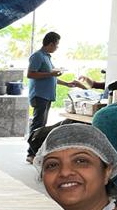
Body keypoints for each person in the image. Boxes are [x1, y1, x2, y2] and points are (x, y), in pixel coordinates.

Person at [26, 31, 82, 162]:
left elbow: (51, 76)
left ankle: (37, 151)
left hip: (47, 95)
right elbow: (31, 74)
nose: (57, 47)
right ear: (50, 44)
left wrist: (66, 83)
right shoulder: (37, 56)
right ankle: (31, 153)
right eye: (57, 45)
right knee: (37, 124)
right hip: (39, 95)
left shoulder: (47, 57)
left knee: (42, 124)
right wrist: (51, 74)